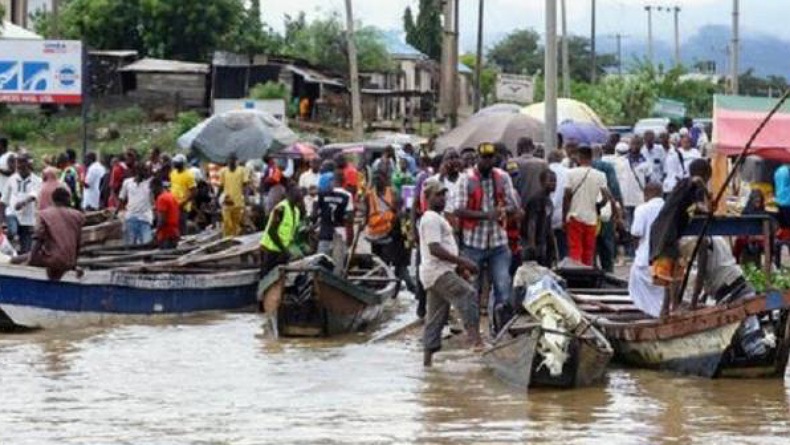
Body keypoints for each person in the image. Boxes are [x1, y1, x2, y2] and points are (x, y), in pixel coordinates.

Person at [455, 142, 518, 335]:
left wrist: (502, 211)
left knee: (503, 287)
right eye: (484, 158)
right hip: (473, 243)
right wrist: (485, 215)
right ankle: (472, 332)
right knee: (471, 290)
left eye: (491, 158)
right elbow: (458, 209)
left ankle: (498, 331)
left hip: (498, 242)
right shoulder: (466, 179)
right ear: (478, 159)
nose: (487, 161)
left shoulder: (503, 177)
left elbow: (513, 205)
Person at [419, 177, 482, 367]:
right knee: (467, 293)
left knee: (435, 318)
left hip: (435, 273)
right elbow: (435, 249)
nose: (442, 198)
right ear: (428, 197)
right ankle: (475, 341)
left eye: (443, 195)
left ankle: (427, 363)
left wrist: (459, 267)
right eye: (438, 195)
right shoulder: (430, 218)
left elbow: (445, 246)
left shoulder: (437, 218)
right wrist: (463, 262)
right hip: (438, 272)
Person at [650, 159, 712, 301]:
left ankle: (672, 307)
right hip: (666, 234)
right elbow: (704, 208)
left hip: (668, 233)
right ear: (706, 175)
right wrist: (707, 194)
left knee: (675, 273)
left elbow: (696, 209)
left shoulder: (684, 185)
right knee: (670, 275)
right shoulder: (693, 184)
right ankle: (678, 306)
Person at [563, 146, 617, 266]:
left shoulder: (570, 173)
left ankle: (576, 273)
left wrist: (564, 216)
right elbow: (606, 196)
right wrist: (598, 205)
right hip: (591, 218)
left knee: (575, 248)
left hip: (574, 216)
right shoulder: (600, 175)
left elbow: (566, 196)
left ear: (579, 157)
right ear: (591, 157)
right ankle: (587, 274)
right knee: (589, 250)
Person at [364, 164, 415, 292]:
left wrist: (397, 221)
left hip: (390, 233)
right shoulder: (369, 195)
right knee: (378, 261)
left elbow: (402, 211)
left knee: (388, 263)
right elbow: (366, 213)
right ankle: (388, 286)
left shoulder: (392, 193)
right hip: (375, 234)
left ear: (385, 178)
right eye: (374, 176)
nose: (376, 179)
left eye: (379, 176)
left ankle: (391, 287)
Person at [23, 187, 85, 280]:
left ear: (53, 200)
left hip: (51, 261)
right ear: (68, 200)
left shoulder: (44, 214)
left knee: (19, 259)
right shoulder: (78, 216)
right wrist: (73, 264)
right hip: (69, 262)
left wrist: (29, 262)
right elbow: (78, 243)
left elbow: (38, 240)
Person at [628, 182, 666, 317]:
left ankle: (645, 316)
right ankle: (660, 316)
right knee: (662, 294)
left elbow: (636, 233)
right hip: (665, 262)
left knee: (638, 294)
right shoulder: (669, 208)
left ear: (646, 194)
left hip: (644, 261)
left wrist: (637, 251)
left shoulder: (642, 209)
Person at [592, 145, 624, 273]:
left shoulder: (582, 166)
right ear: (601, 153)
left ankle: (592, 270)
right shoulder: (607, 167)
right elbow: (614, 188)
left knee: (591, 245)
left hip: (589, 211)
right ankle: (608, 271)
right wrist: (619, 206)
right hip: (605, 210)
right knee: (606, 243)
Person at [315, 171, 354, 272]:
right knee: (337, 267)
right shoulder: (347, 196)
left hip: (324, 232)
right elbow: (349, 219)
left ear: (333, 181)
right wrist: (350, 237)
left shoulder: (322, 194)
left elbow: (314, 213)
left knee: (321, 265)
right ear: (344, 181)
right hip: (339, 234)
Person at [2, 155, 41, 254]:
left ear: (28, 165)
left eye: (22, 166)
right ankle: (11, 242)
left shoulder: (37, 180)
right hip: (12, 213)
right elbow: (4, 200)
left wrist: (24, 202)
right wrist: (1, 218)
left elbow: (34, 195)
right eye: (18, 166)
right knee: (12, 231)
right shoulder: (12, 179)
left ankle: (19, 256)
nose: (20, 168)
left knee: (26, 250)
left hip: (28, 218)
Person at [261, 185, 302, 276]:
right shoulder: (281, 208)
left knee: (280, 278)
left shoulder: (296, 211)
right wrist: (284, 249)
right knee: (267, 277)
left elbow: (291, 233)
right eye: (295, 192)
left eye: (299, 193)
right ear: (288, 194)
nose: (298, 195)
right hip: (271, 250)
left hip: (282, 251)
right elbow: (271, 231)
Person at [524, 169, 557, 267]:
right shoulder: (537, 199)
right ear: (542, 182)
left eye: (555, 181)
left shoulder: (548, 201)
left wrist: (553, 246)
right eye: (550, 180)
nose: (554, 183)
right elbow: (532, 223)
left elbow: (548, 223)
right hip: (536, 244)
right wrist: (532, 246)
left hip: (544, 243)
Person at [510, 137, 549, 210]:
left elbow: (511, 184)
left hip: (519, 205)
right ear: (532, 148)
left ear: (518, 148)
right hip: (539, 205)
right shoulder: (543, 164)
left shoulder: (512, 163)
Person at [118, 165, 153, 246]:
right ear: (138, 172)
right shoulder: (127, 182)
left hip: (145, 218)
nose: (147, 173)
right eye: (145, 171)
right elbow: (121, 198)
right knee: (130, 245)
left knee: (146, 245)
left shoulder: (149, 183)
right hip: (130, 217)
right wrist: (118, 213)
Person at [217, 153, 249, 238]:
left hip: (238, 201)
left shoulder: (242, 171)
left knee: (236, 223)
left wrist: (246, 197)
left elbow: (245, 185)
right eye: (230, 160)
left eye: (233, 160)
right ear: (227, 161)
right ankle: (226, 238)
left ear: (236, 161)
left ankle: (234, 238)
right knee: (227, 222)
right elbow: (221, 186)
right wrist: (216, 197)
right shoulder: (223, 171)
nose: (231, 162)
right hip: (227, 201)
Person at [548, 150, 569, 259]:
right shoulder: (568, 172)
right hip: (563, 214)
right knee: (563, 246)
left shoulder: (545, 170)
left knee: (548, 246)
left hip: (547, 214)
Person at [170, 154, 196, 236]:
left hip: (182, 206)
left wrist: (183, 202)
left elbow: (194, 191)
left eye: (177, 163)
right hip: (173, 203)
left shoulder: (188, 175)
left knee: (181, 225)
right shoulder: (173, 173)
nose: (175, 164)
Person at [151, 178, 180, 249]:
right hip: (174, 231)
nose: (152, 191)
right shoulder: (171, 196)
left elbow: (162, 220)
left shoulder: (161, 198)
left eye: (152, 188)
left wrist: (156, 232)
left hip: (166, 234)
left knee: (164, 256)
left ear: (157, 186)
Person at [775, 163, 790, 228]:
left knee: (784, 225)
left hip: (780, 201)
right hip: (788, 202)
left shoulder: (778, 170)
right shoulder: (787, 170)